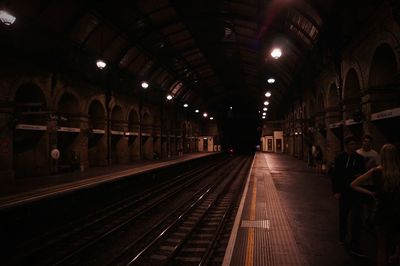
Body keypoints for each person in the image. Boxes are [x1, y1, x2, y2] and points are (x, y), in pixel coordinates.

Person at [351, 144, 400, 266]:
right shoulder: (398, 173)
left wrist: (371, 193)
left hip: (381, 211)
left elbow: (354, 184)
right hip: (397, 212)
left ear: (382, 156)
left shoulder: (376, 171)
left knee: (381, 248)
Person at [332, 135, 366, 256]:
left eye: (355, 144)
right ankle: (342, 236)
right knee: (343, 215)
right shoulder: (340, 158)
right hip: (344, 192)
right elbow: (336, 175)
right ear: (347, 146)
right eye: (352, 144)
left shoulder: (360, 159)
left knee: (356, 217)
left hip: (356, 192)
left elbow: (362, 174)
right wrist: (336, 191)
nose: (354, 146)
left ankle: (355, 242)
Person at [356, 134, 380, 226]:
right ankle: (361, 220)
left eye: (368, 142)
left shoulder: (374, 154)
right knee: (360, 203)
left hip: (371, 182)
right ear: (362, 142)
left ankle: (368, 220)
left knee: (370, 203)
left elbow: (378, 167)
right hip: (360, 182)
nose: (366, 143)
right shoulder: (357, 153)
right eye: (365, 141)